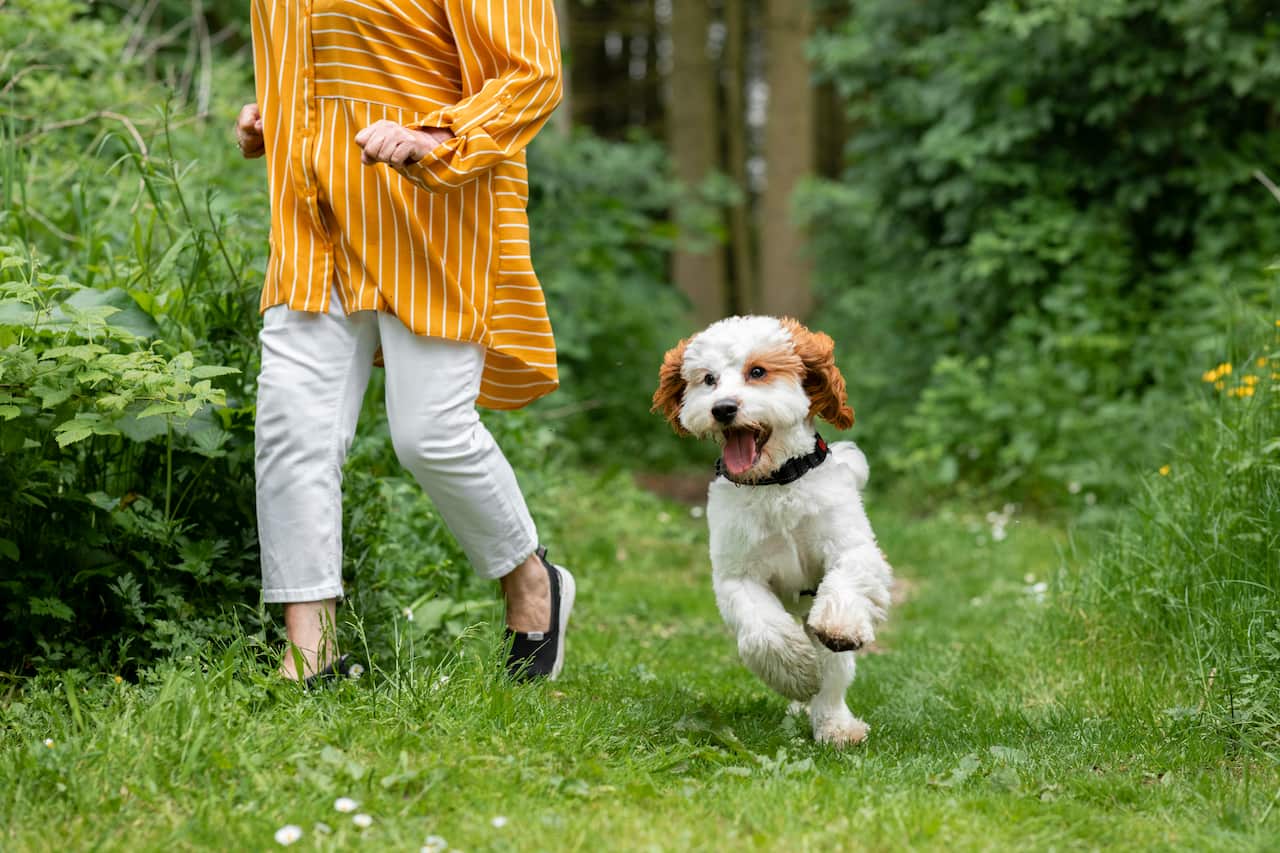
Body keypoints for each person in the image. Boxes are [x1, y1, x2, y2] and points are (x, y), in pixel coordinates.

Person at [235, 0, 573, 683]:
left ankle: (531, 580)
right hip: (310, 222)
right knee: (290, 425)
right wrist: (282, 111)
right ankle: (310, 652)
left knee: (430, 433)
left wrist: (438, 135)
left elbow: (532, 74)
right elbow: (336, 54)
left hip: (424, 213)